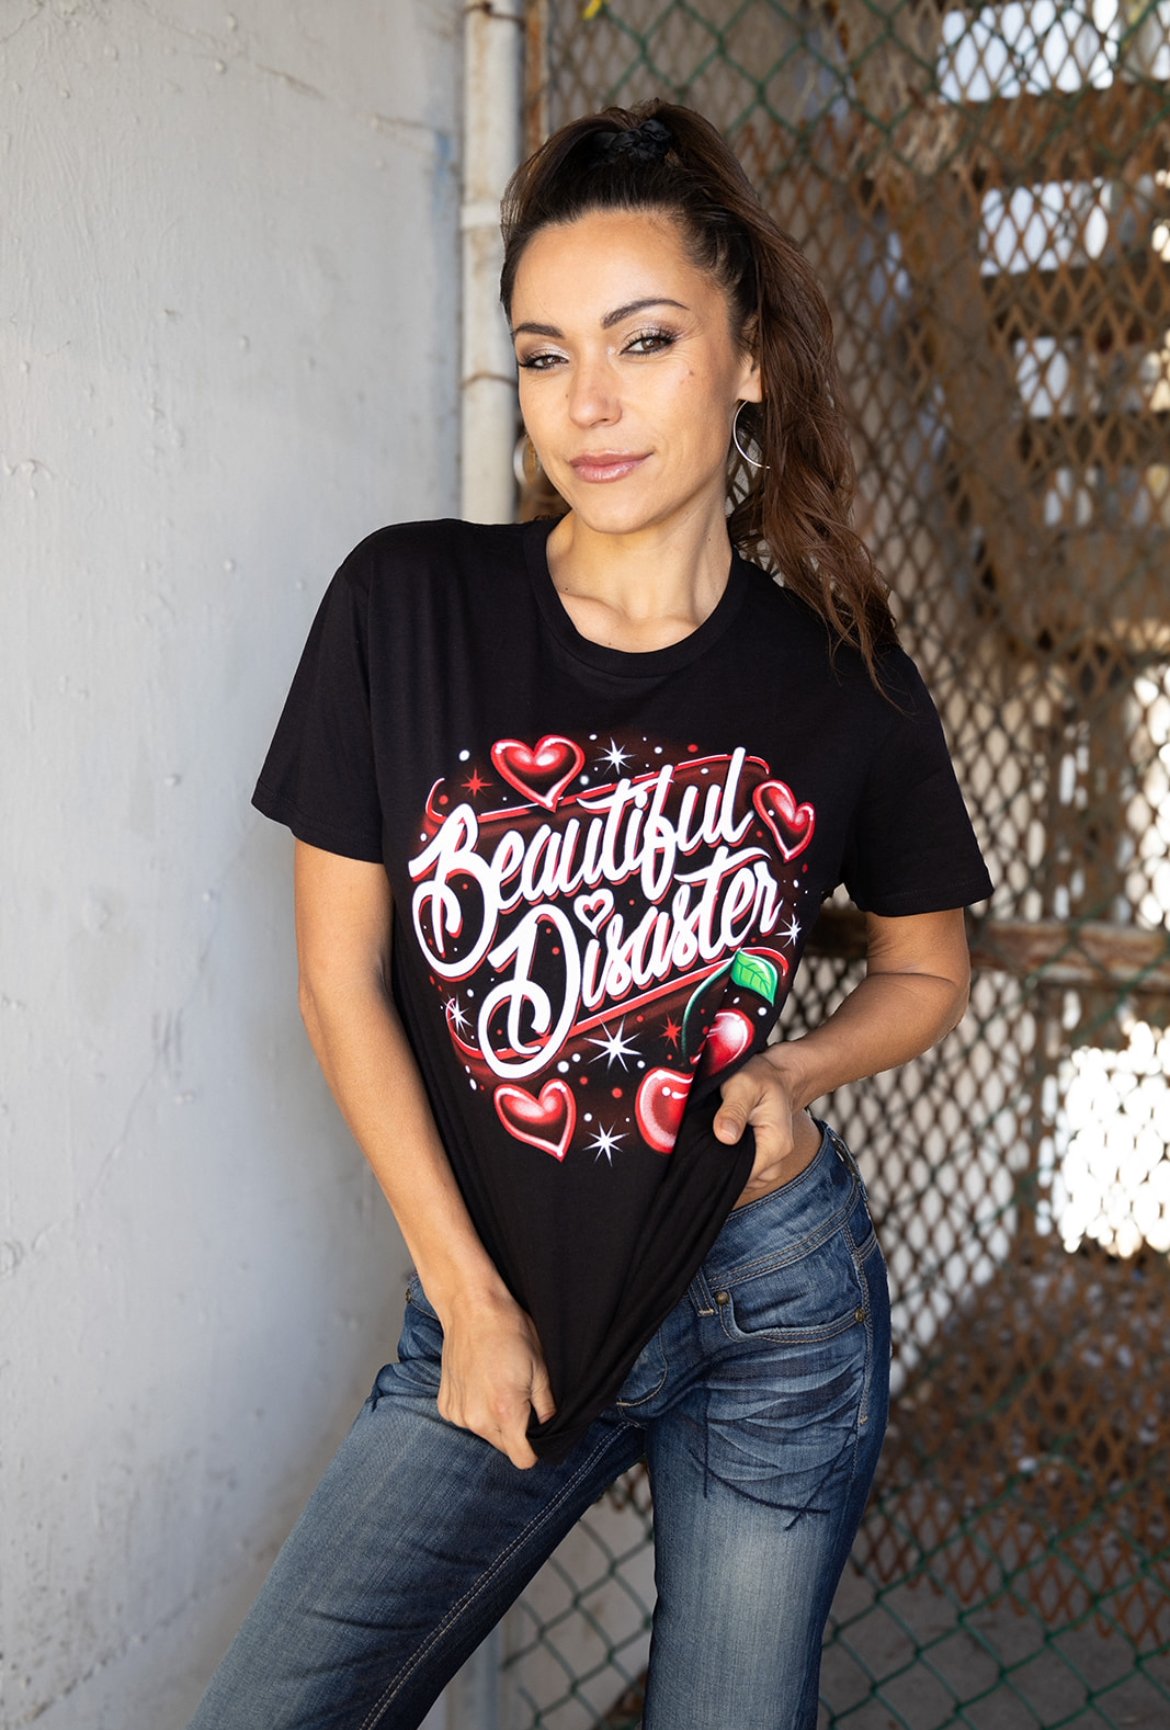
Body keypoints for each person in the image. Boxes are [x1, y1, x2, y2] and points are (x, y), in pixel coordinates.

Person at [187, 99, 992, 1730]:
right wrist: (469, 1303)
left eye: (643, 340)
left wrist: (797, 1074)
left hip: (769, 1303)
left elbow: (926, 965)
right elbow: (340, 985)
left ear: (747, 355)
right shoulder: (405, 605)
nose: (590, 404)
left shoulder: (842, 674)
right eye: (544, 356)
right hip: (499, 1299)